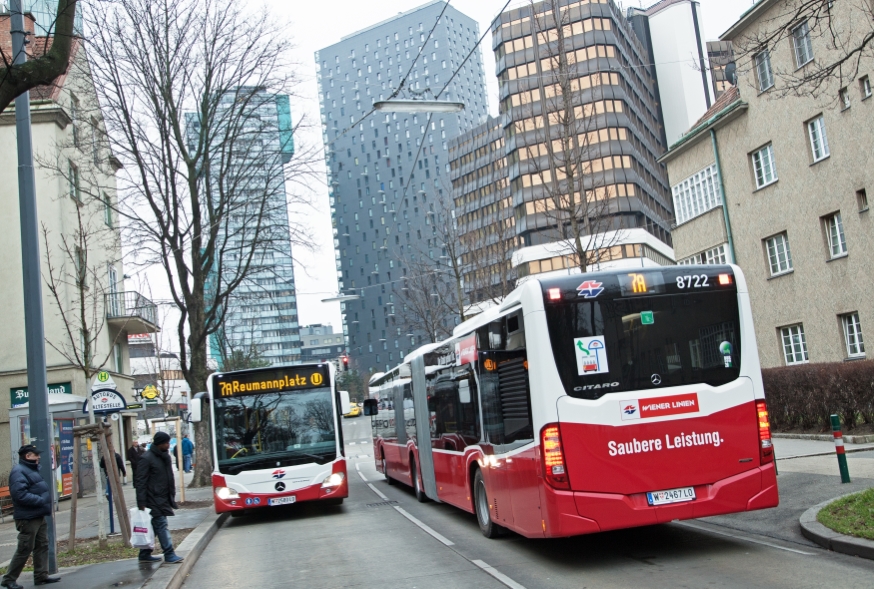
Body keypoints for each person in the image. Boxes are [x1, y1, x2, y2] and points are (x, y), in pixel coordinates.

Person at [1, 445, 60, 588]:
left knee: (42, 545)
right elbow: (19, 495)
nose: (38, 457)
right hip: (28, 518)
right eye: (36, 455)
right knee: (25, 548)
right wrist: (41, 500)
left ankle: (41, 576)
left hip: (38, 515)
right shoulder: (18, 471)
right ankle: (9, 580)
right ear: (27, 456)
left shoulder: (30, 470)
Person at [134, 432, 183, 564]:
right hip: (153, 499)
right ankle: (169, 553)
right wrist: (141, 502)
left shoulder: (163, 456)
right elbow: (140, 481)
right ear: (159, 443)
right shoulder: (146, 458)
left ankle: (144, 553)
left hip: (162, 497)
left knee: (155, 526)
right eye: (166, 443)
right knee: (161, 525)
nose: (168, 445)